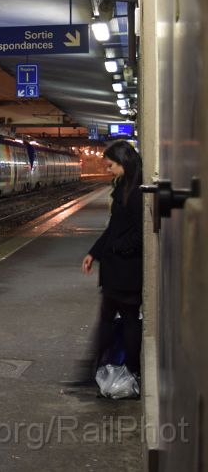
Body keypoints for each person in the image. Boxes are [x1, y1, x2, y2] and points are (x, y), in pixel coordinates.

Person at [82, 140, 144, 379]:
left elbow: (139, 234)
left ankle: (127, 371)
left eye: (110, 166)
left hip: (126, 271)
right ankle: (111, 369)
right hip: (117, 269)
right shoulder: (124, 188)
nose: (108, 171)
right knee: (115, 319)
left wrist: (114, 249)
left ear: (123, 163)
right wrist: (94, 252)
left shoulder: (136, 193)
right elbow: (113, 229)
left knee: (124, 320)